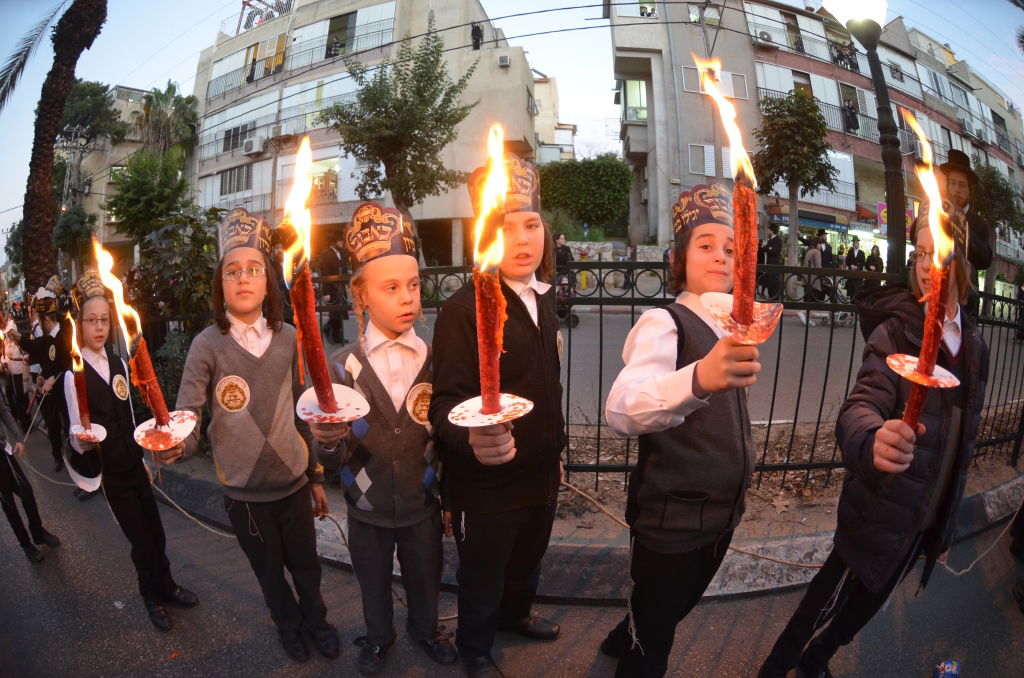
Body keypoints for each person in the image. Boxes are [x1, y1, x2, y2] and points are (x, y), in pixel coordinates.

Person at [758, 209, 989, 678]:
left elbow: (961, 447)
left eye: (938, 252)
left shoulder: (976, 349)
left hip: (921, 521)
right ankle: (776, 670)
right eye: (920, 252)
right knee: (818, 611)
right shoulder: (898, 330)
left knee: (860, 614)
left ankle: (815, 664)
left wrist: (941, 526)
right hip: (878, 511)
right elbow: (861, 404)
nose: (927, 264)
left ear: (961, 260)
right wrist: (871, 439)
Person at [602, 183, 762, 678]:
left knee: (675, 605)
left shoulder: (733, 325)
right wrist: (697, 378)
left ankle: (627, 631)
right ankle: (634, 646)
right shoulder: (665, 323)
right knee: (655, 645)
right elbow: (623, 408)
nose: (721, 258)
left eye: (732, 249)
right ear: (680, 257)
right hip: (671, 520)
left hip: (721, 512)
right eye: (706, 246)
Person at [168, 208, 339, 662]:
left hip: (293, 483)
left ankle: (318, 621)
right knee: (268, 571)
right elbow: (189, 410)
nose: (243, 279)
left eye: (254, 270)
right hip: (243, 493)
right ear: (219, 284)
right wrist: (178, 445)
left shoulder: (290, 338)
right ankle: (287, 625)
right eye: (232, 271)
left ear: (268, 281)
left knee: (307, 566)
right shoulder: (206, 344)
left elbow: (305, 406)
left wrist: (317, 475)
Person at [429, 153, 565, 678]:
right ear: (486, 236)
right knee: (484, 571)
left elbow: (548, 383)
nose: (523, 238)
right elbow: (444, 405)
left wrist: (555, 451)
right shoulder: (464, 310)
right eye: (506, 228)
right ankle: (476, 646)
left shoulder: (543, 298)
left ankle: (514, 616)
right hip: (485, 482)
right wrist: (471, 444)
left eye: (531, 224)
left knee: (528, 558)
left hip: (538, 470)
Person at [310, 202, 457, 675]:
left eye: (413, 285)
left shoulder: (436, 360)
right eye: (391, 288)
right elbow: (330, 456)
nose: (407, 297)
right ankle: (378, 636)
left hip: (422, 503)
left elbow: (447, 432)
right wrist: (328, 442)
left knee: (425, 575)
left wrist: (448, 496)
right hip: (366, 508)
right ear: (362, 297)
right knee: (371, 579)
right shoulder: (342, 368)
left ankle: (425, 629)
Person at [63, 270, 199, 631]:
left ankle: (167, 586)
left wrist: (145, 459)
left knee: (157, 533)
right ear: (80, 324)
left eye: (104, 320)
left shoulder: (120, 364)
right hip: (111, 474)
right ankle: (150, 596)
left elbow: (128, 414)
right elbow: (76, 432)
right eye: (91, 320)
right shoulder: (72, 375)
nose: (99, 327)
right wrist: (83, 442)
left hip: (133, 466)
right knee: (141, 543)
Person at [0, 387, 59, 563]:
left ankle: (38, 531)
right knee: (8, 503)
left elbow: (4, 412)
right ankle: (25, 544)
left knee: (26, 490)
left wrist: (18, 438)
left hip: (4, 451)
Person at [14, 294, 71, 473]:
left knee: (69, 425)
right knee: (52, 425)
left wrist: (54, 378)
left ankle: (76, 461)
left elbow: (69, 364)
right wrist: (42, 375)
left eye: (40, 320)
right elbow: (42, 355)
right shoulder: (47, 339)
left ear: (46, 319)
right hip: (49, 393)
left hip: (64, 392)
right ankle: (57, 456)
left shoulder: (64, 335)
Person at [938, 149, 993, 318]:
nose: (956, 189)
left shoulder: (979, 223)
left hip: (965, 304)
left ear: (969, 190)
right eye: (952, 183)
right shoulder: (937, 211)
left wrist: (961, 225)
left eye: (961, 185)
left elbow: (985, 259)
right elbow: (914, 235)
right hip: (935, 292)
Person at [318, 229, 348, 345]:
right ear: (333, 242)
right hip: (332, 289)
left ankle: (337, 336)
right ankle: (327, 328)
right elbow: (324, 275)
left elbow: (343, 269)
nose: (342, 243)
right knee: (335, 314)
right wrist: (326, 293)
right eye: (339, 241)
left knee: (340, 312)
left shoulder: (340, 253)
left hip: (340, 288)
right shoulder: (326, 254)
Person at [761, 223, 782, 300]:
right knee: (769, 284)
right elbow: (764, 249)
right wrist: (767, 248)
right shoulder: (770, 240)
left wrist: (767, 248)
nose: (767, 231)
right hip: (769, 265)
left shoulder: (778, 239)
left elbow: (775, 250)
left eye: (768, 229)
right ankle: (771, 299)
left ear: (771, 230)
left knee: (774, 284)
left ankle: (775, 300)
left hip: (774, 265)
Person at [846, 235, 866, 301]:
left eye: (857, 242)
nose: (856, 244)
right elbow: (847, 261)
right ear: (853, 243)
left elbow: (863, 263)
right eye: (855, 242)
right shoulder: (850, 251)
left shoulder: (862, 253)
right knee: (851, 289)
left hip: (858, 274)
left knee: (857, 290)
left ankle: (856, 303)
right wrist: (850, 266)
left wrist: (857, 267)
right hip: (851, 274)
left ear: (858, 243)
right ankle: (851, 302)